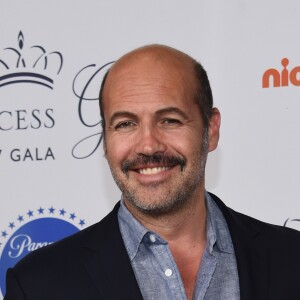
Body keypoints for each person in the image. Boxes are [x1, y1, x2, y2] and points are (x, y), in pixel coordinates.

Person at [4, 45, 300, 300]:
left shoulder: (291, 259)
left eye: (170, 120)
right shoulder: (39, 285)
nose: (148, 145)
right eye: (125, 124)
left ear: (211, 129)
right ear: (106, 139)